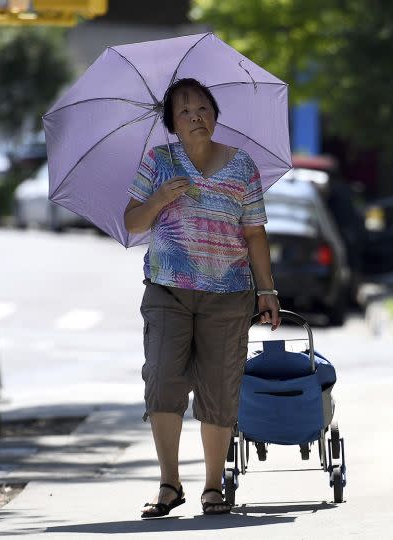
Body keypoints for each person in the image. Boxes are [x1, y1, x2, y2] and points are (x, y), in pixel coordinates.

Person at [124, 78, 281, 518]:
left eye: (203, 109)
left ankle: (213, 487)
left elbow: (254, 231)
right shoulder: (158, 162)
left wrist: (266, 290)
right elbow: (133, 222)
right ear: (171, 124)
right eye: (185, 112)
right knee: (162, 380)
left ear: (214, 114)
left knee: (218, 387)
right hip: (167, 291)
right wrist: (159, 198)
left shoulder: (242, 165)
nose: (196, 117)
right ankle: (169, 484)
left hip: (228, 295)